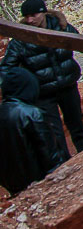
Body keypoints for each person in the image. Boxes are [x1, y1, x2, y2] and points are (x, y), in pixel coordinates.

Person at [0, 0, 83, 159]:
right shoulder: (21, 39)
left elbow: (81, 42)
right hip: (43, 93)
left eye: (33, 15)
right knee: (55, 134)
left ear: (44, 13)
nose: (30, 20)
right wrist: (22, 88)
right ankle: (66, 166)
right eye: (26, 17)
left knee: (77, 125)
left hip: (68, 85)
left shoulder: (61, 27)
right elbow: (6, 68)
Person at [0, 67, 66, 195]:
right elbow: (50, 155)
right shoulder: (31, 114)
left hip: (14, 187)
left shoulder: (4, 112)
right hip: (41, 183)